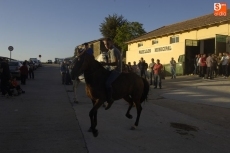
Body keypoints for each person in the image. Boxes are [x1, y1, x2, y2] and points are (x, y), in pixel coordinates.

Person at [101, 38, 121, 110]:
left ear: (111, 42)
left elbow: (116, 63)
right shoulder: (109, 50)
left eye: (108, 44)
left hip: (116, 70)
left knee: (107, 83)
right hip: (110, 69)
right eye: (105, 44)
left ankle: (110, 99)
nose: (106, 45)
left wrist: (105, 63)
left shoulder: (114, 50)